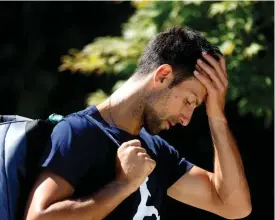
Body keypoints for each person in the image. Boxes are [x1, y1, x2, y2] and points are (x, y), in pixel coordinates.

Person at [24, 26, 252, 220]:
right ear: (163, 76)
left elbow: (234, 206)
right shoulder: (79, 132)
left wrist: (217, 117)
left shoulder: (156, 152)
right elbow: (38, 217)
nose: (186, 119)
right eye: (188, 101)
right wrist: (122, 186)